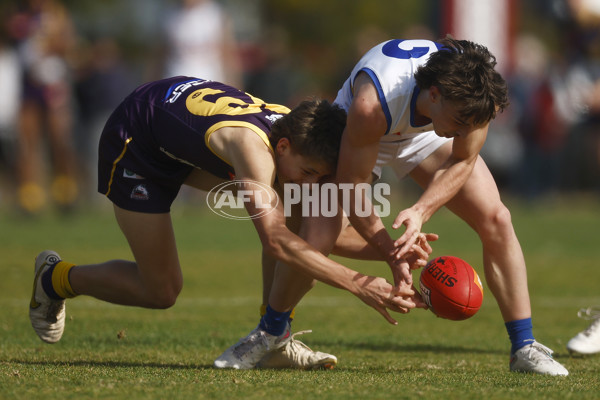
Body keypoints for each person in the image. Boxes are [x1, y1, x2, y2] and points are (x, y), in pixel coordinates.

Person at [29, 76, 434, 370]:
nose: (312, 183)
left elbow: (320, 238)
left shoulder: (293, 136)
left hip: (181, 139)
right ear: (284, 146)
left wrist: (393, 252)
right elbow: (276, 241)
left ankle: (273, 335)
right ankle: (56, 278)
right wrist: (358, 283)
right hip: (138, 145)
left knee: (302, 221)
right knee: (161, 290)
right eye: (309, 172)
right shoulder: (253, 152)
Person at [226, 37, 570, 376]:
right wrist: (389, 251)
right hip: (360, 135)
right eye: (462, 123)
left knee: (497, 217)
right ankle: (270, 333)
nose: (465, 131)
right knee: (316, 238)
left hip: (424, 133)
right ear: (434, 95)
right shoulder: (371, 106)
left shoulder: (473, 96)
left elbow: (463, 159)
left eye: (472, 125)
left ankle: (525, 347)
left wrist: (420, 211)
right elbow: (352, 186)